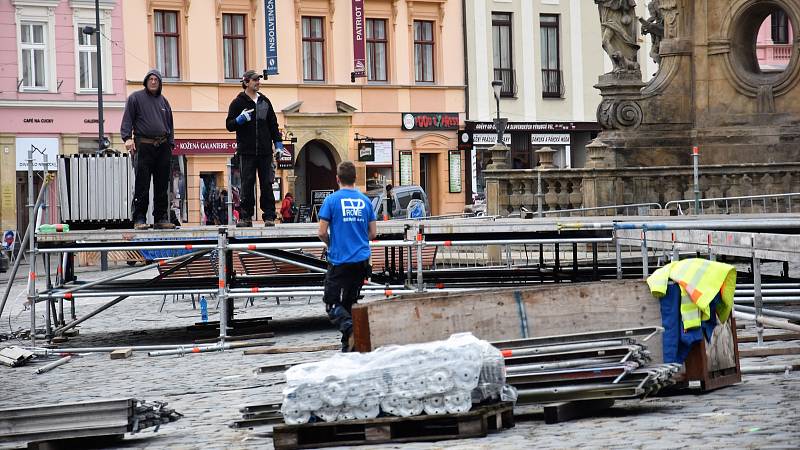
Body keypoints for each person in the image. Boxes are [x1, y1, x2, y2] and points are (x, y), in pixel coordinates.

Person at [318, 161, 377, 352]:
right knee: (350, 303)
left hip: (340, 260)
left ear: (337, 179)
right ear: (355, 178)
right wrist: (358, 239)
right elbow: (373, 233)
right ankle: (349, 346)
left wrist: (331, 243)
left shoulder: (331, 200)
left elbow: (321, 231)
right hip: (361, 261)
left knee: (332, 302)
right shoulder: (365, 201)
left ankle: (352, 331)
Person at [225, 69, 285, 227]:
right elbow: (229, 125)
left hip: (265, 151)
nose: (258, 82)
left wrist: (278, 145)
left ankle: (269, 216)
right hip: (246, 152)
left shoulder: (265, 101)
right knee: (247, 184)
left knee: (267, 184)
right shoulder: (238, 103)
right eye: (254, 80)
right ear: (246, 82)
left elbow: (273, 125)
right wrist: (239, 120)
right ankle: (245, 217)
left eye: (258, 80)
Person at [121, 69, 175, 230]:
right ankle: (139, 218)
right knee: (142, 184)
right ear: (146, 81)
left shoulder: (164, 102)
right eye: (150, 79)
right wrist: (127, 138)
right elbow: (127, 120)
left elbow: (170, 125)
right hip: (143, 145)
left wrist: (170, 144)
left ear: (160, 83)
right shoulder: (135, 98)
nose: (153, 82)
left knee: (162, 185)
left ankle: (161, 217)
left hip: (163, 146)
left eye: (156, 80)